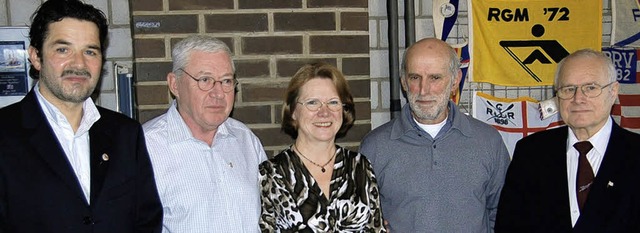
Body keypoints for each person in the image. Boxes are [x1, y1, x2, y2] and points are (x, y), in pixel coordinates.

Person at [0, 0, 163, 232]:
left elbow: (147, 220)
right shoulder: (5, 134)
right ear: (36, 56)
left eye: (90, 51)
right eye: (63, 49)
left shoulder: (125, 133)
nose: (79, 63)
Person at [359, 38, 511, 232]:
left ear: (455, 81)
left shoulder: (488, 141)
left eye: (435, 78)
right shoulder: (374, 147)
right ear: (404, 82)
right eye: (415, 78)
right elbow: (360, 219)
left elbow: (503, 214)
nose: (424, 90)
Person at [495, 49, 640, 232]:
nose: (578, 98)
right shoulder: (531, 153)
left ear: (613, 91)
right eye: (568, 89)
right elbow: (509, 227)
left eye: (591, 88)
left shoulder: (635, 154)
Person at [143, 35, 268, 232]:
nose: (218, 93)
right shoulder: (146, 148)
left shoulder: (245, 140)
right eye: (205, 80)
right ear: (175, 84)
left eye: (226, 81)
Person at [259, 63, 386, 232]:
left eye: (333, 102)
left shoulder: (360, 166)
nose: (324, 112)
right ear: (293, 111)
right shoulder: (271, 174)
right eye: (312, 103)